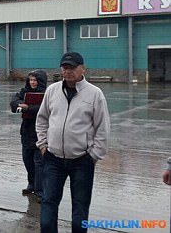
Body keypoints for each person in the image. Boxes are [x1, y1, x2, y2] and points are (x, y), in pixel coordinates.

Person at [36, 52, 110, 233]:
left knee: (80, 211)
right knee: (48, 207)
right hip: (53, 159)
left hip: (82, 161)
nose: (68, 71)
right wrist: (43, 145)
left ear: (82, 69)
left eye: (72, 67)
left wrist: (93, 156)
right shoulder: (52, 90)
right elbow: (42, 118)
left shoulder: (94, 94)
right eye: (65, 67)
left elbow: (102, 128)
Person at [10, 70, 47, 202]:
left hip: (40, 133)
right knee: (27, 161)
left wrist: (28, 108)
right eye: (31, 80)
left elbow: (46, 109)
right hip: (26, 132)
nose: (32, 82)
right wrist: (19, 105)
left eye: (35, 80)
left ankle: (40, 190)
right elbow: (14, 102)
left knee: (39, 163)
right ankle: (31, 185)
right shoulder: (24, 92)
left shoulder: (47, 94)